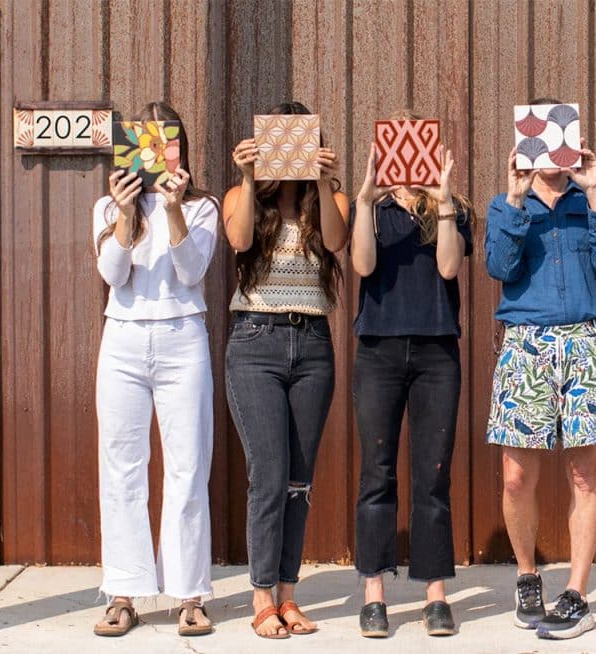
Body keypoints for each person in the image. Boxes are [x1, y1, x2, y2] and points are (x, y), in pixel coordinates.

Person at [485, 97, 596, 641]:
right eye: (540, 138)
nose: (551, 150)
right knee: (516, 475)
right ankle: (528, 576)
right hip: (527, 342)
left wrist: (594, 195)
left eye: (559, 136)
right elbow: (499, 266)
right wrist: (515, 200)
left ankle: (577, 592)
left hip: (587, 340)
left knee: (585, 475)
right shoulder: (506, 204)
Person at [92, 102, 219, 637]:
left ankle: (189, 594)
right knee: (121, 467)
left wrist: (171, 210)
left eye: (167, 142)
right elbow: (112, 273)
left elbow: (191, 272)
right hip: (122, 340)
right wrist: (125, 215)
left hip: (182, 337)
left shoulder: (201, 206)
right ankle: (123, 593)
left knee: (188, 468)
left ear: (179, 149)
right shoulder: (108, 206)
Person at [223, 101, 350, 639]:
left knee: (299, 480)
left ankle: (289, 593)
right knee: (269, 475)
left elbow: (337, 241)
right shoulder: (242, 196)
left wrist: (321, 181)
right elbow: (239, 240)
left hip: (313, 342)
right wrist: (249, 176)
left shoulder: (332, 198)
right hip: (256, 342)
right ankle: (261, 596)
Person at [349, 112, 472, 639]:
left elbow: (448, 267)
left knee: (433, 474)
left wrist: (442, 201)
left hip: (436, 352)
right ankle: (374, 593)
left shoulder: (453, 208)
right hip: (378, 350)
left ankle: (435, 594)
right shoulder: (373, 211)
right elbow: (362, 265)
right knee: (377, 472)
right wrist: (364, 202)